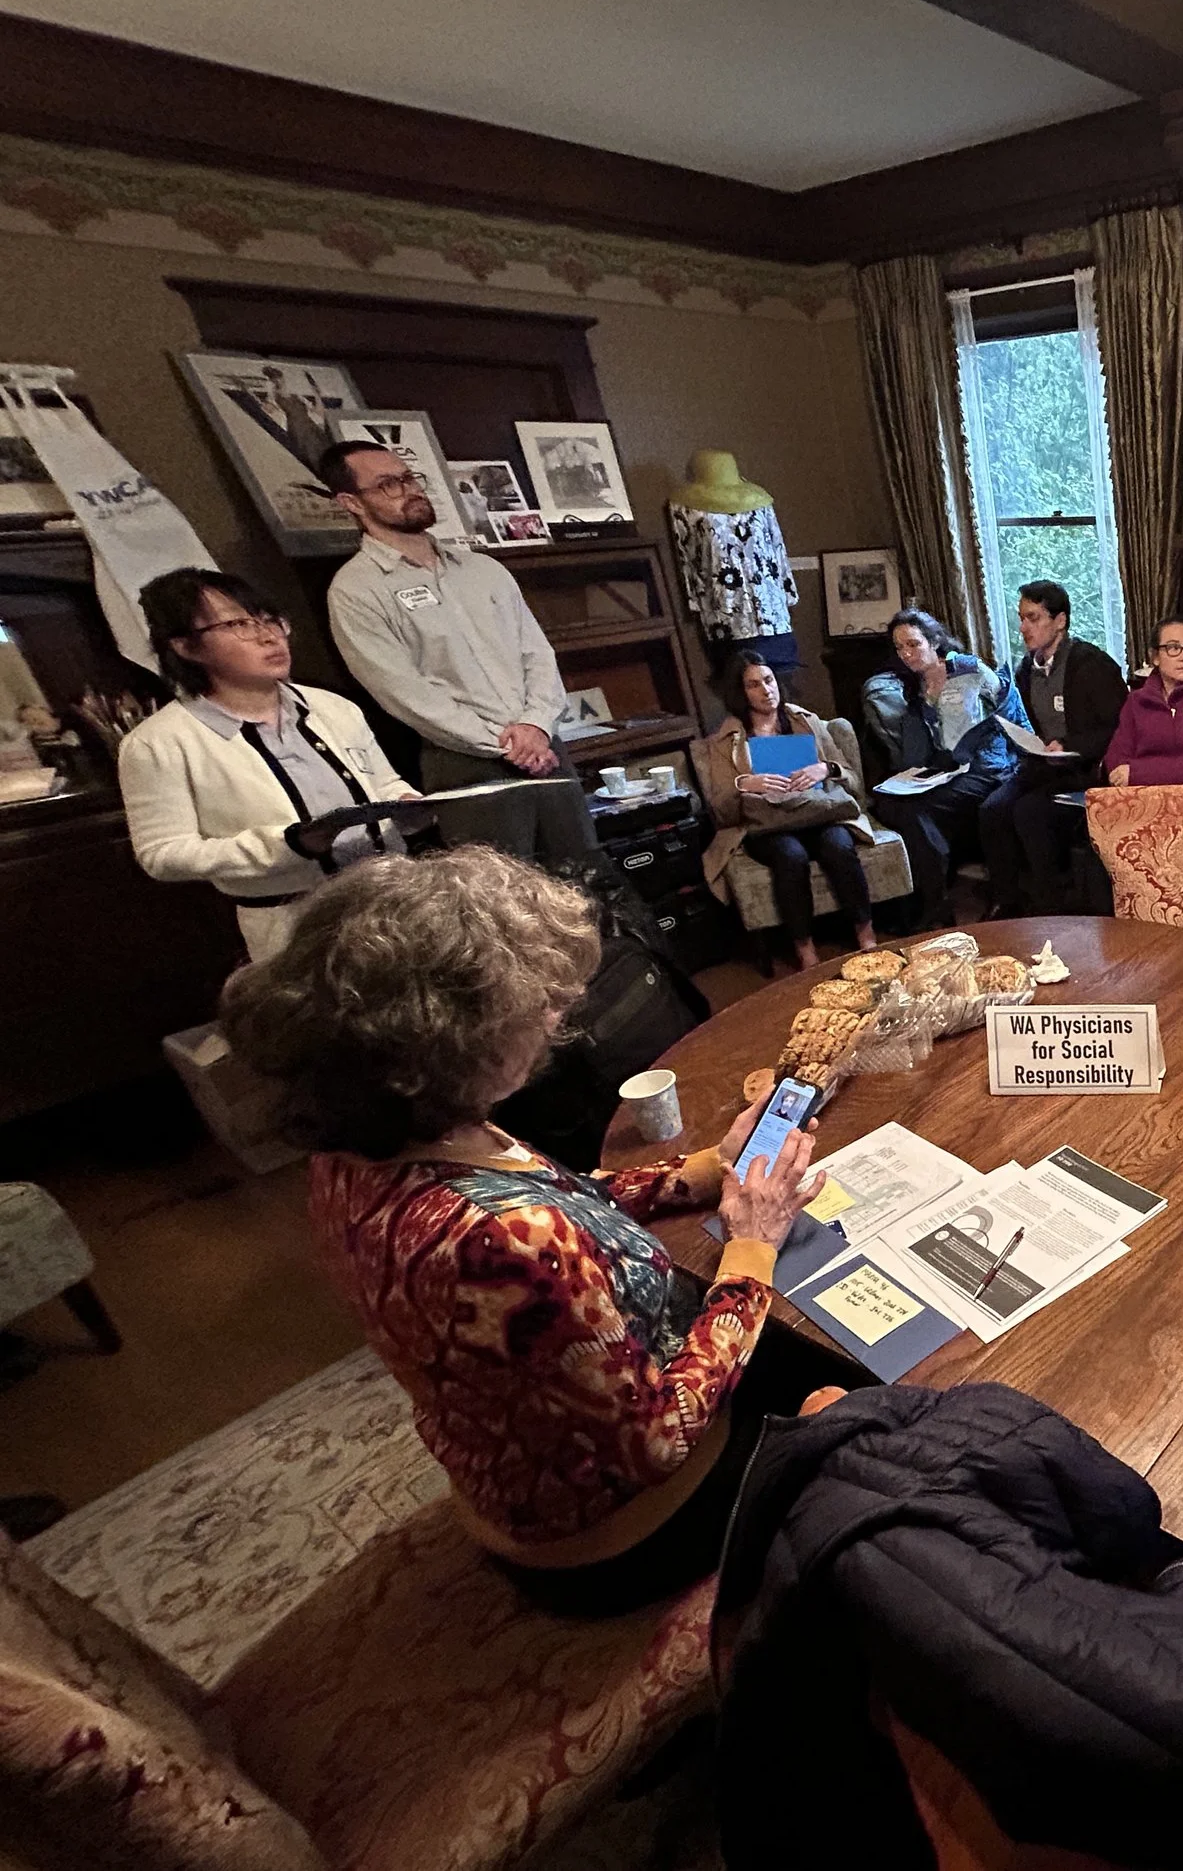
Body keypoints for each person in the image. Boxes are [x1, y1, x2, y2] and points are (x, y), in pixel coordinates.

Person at [219, 845, 846, 1615]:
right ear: (452, 1041)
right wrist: (753, 1242)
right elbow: (657, 1441)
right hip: (631, 1529)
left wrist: (706, 1170)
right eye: (536, 1004)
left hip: (517, 1475)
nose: (558, 1015)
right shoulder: (504, 1240)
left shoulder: (363, 1149)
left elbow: (560, 1196)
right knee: (857, 1383)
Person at [118, 567, 420, 962]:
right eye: (239, 624)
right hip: (293, 921)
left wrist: (407, 803)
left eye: (270, 620)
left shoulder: (332, 707)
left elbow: (384, 782)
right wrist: (285, 845)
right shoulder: (157, 742)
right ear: (186, 647)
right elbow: (162, 855)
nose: (269, 636)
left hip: (394, 898)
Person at [321, 439, 597, 863]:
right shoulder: (356, 590)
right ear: (351, 503)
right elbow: (406, 694)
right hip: (466, 764)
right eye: (388, 484)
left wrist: (537, 726)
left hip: (545, 749)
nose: (410, 490)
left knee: (584, 874)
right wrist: (506, 745)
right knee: (499, 892)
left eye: (409, 477)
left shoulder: (484, 570)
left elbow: (537, 654)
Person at [691, 651, 880, 970]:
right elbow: (721, 810)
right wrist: (744, 784)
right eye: (754, 685)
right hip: (768, 824)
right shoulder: (726, 741)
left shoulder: (805, 721)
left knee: (838, 846)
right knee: (791, 856)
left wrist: (826, 768)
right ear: (740, 693)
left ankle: (866, 934)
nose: (766, 690)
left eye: (769, 680)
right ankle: (805, 949)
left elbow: (853, 780)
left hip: (818, 812)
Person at [859, 607, 1028, 929]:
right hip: (948, 771)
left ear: (934, 642)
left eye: (913, 644)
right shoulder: (915, 686)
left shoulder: (967, 668)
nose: (906, 654)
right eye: (899, 648)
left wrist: (1026, 756)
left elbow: (1010, 707)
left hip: (987, 766)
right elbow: (924, 746)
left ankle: (936, 901)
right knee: (890, 803)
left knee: (916, 811)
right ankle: (932, 898)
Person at [980, 579, 1127, 915]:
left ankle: (1051, 907)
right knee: (992, 809)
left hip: (1084, 770)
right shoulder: (1026, 669)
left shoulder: (1091, 665)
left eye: (1033, 618)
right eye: (1021, 618)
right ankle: (1008, 902)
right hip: (1045, 765)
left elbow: (1118, 727)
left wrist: (1070, 745)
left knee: (1030, 812)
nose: (1023, 628)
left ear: (1060, 621)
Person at [1104, 617, 1183, 788]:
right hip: (1140, 796)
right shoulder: (1136, 701)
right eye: (1173, 648)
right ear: (1155, 657)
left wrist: (1137, 772)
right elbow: (1115, 761)